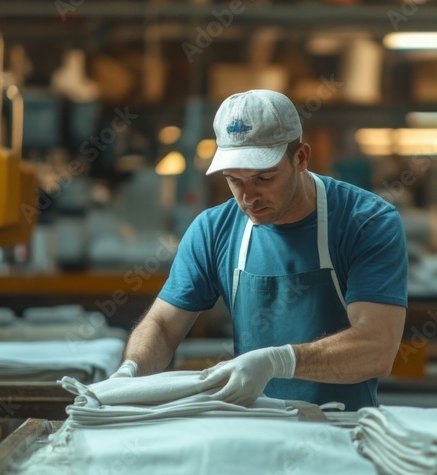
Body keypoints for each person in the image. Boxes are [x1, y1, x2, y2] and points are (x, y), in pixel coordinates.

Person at [113, 89, 408, 410]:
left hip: (343, 430)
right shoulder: (213, 230)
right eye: (235, 180)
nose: (248, 197)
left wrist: (278, 361)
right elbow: (163, 325)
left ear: (301, 158)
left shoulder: (365, 222)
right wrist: (130, 374)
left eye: (264, 178)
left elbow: (377, 348)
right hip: (253, 429)